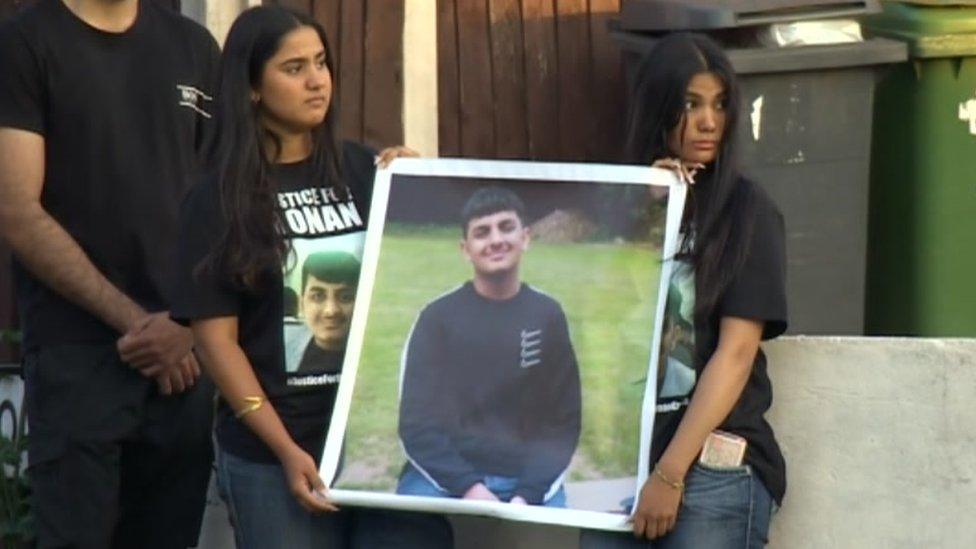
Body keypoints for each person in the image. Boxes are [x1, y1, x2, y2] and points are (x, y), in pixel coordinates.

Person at [172, 6, 452, 549]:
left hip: (382, 451)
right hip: (272, 458)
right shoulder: (216, 199)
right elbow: (215, 342)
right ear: (252, 87)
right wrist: (284, 450)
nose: (316, 79)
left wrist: (420, 194)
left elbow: (424, 285)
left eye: (321, 62)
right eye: (294, 67)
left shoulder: (365, 173)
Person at [0, 1, 219, 547]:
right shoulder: (24, 44)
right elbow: (16, 211)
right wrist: (136, 321)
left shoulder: (194, 48)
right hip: (78, 355)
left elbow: (229, 204)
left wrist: (187, 322)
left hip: (185, 359)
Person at [580, 33, 788, 548]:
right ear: (657, 108)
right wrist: (643, 210)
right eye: (690, 105)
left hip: (714, 466)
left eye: (720, 104)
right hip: (620, 469)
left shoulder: (746, 209)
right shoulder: (621, 203)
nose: (709, 122)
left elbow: (736, 355)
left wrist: (670, 475)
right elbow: (594, 320)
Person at [396, 186, 583, 508]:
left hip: (526, 482)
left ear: (525, 238)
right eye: (482, 232)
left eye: (506, 227)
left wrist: (527, 495)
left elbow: (563, 421)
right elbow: (416, 423)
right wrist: (471, 490)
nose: (496, 240)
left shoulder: (547, 314)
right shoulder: (437, 317)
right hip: (446, 480)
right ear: (465, 249)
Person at [284, 251, 359, 373]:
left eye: (345, 297)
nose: (331, 311)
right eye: (318, 296)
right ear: (302, 304)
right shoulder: (283, 350)